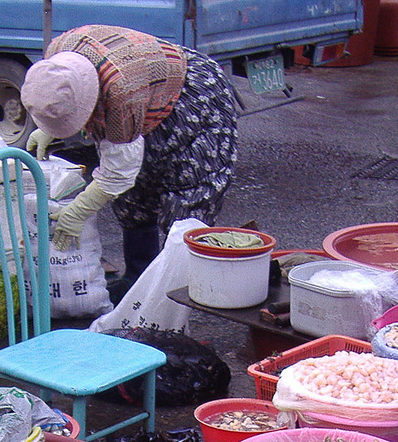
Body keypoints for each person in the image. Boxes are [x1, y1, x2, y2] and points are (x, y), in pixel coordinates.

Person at [18, 24, 238, 288]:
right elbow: (62, 89)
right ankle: (137, 280)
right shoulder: (57, 57)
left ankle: (174, 299)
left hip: (193, 97)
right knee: (133, 200)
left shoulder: (122, 92)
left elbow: (118, 174)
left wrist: (80, 210)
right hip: (142, 90)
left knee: (185, 209)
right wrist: (49, 127)